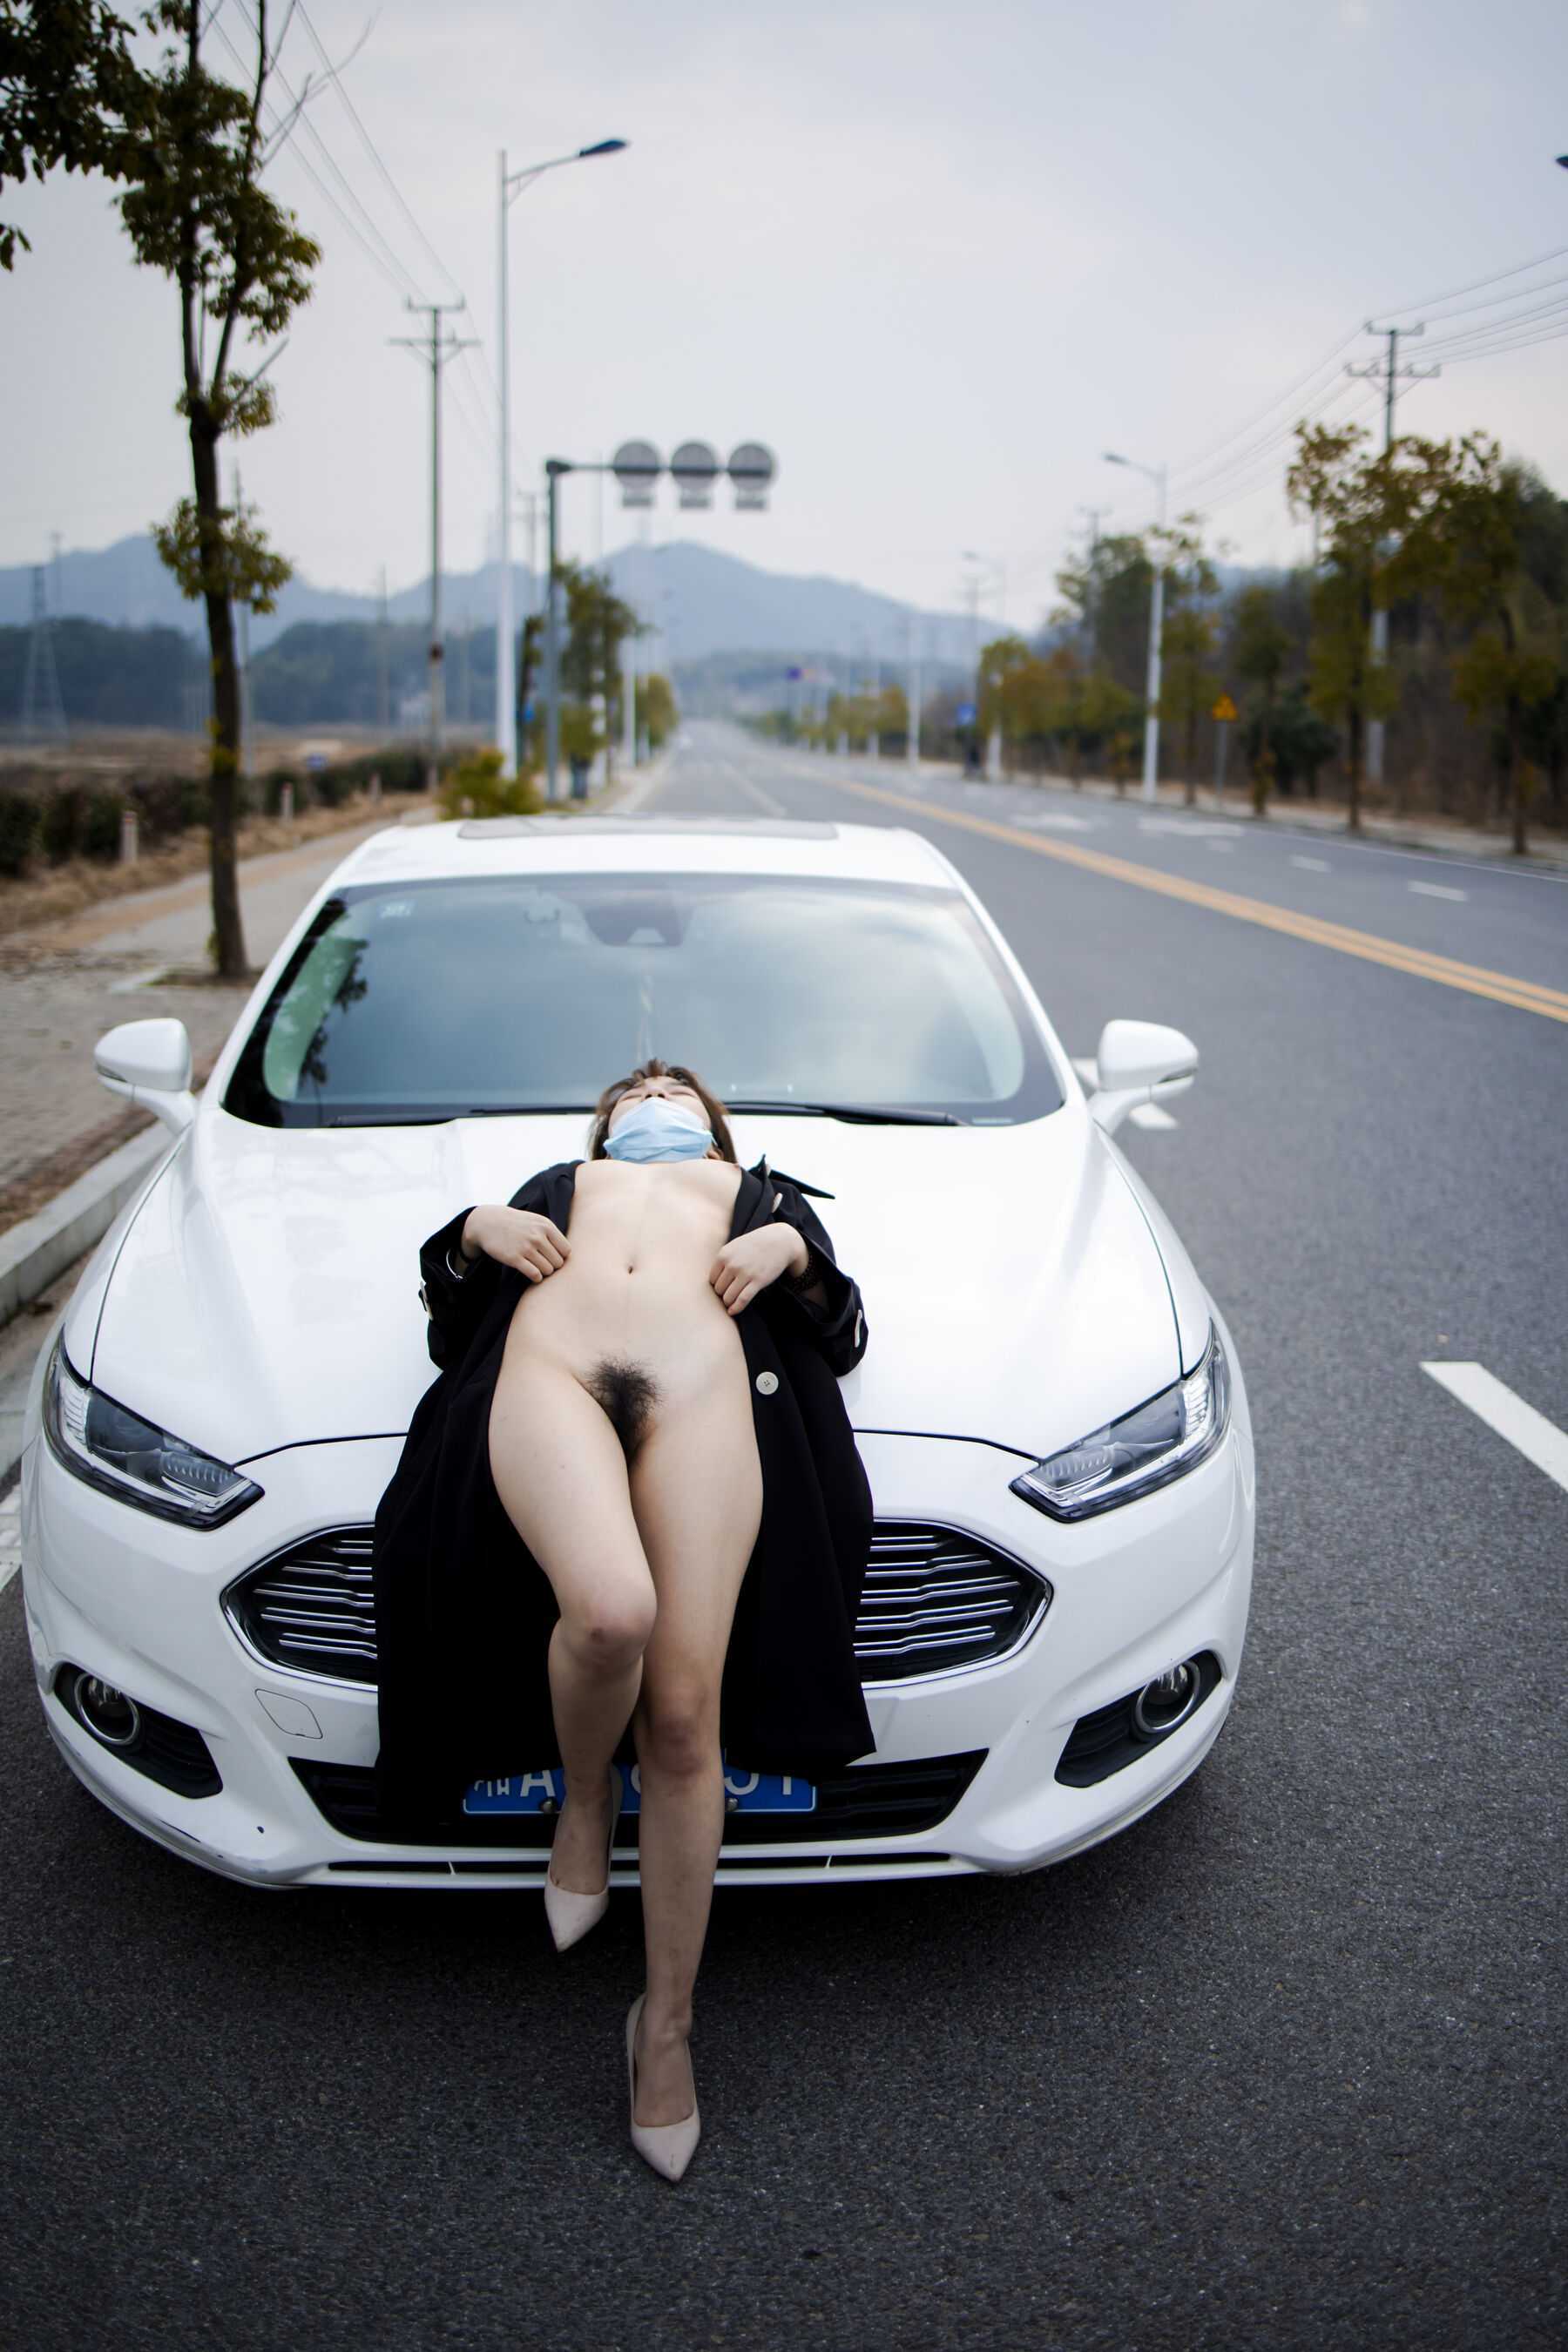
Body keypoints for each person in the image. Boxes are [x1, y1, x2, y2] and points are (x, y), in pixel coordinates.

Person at [370, 1060, 875, 2182]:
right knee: (609, 1615)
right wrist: (474, 1231)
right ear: (604, 1130)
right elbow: (451, 1328)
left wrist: (792, 1254)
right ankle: (587, 1797)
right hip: (556, 1374)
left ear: (711, 1127)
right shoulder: (561, 1185)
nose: (652, 1097)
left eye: (674, 1091)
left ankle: (666, 2030)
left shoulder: (762, 1197)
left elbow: (844, 1336)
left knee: (687, 1717)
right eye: (632, 1095)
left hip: (701, 1392)